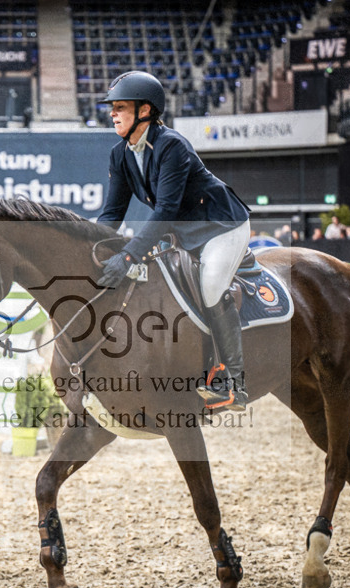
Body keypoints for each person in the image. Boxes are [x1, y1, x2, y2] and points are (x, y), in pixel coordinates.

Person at [95, 71, 251, 411]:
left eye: (120, 107)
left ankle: (233, 383)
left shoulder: (172, 146)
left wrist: (128, 256)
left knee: (210, 286)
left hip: (221, 227)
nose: (113, 113)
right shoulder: (120, 154)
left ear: (145, 110)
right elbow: (111, 214)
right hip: (184, 235)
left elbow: (165, 209)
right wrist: (87, 246)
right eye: (112, 108)